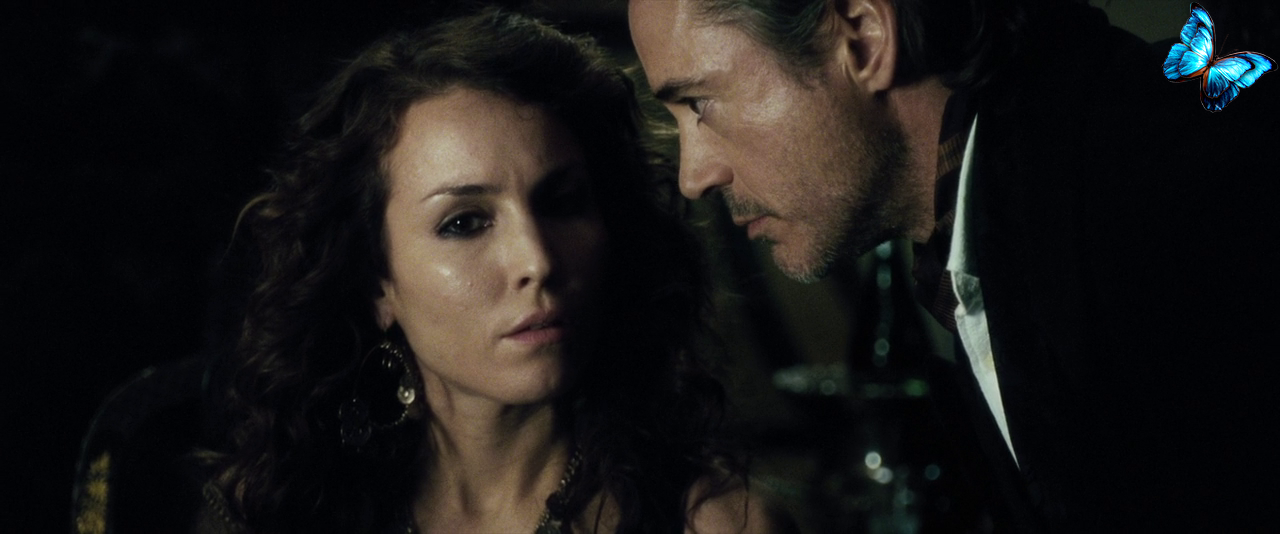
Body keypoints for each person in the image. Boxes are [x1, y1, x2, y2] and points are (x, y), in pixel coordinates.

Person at [629, 0, 1279, 532]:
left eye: (700, 103)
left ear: (863, 38)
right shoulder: (1002, 215)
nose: (693, 176)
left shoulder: (1151, 188)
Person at [202, 8, 782, 533]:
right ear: (377, 282)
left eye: (561, 203)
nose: (537, 260)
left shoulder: (715, 526)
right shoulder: (274, 510)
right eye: (464, 223)